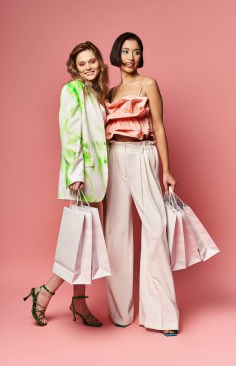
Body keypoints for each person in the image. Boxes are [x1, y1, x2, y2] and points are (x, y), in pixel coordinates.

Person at [24, 41, 109, 327]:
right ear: (75, 67)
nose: (88, 67)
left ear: (99, 62)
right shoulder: (72, 89)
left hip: (97, 179)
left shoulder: (96, 93)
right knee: (77, 241)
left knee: (87, 243)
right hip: (81, 177)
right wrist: (75, 174)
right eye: (82, 63)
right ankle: (44, 293)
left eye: (92, 61)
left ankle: (80, 302)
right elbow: (70, 132)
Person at [104, 32, 179, 336]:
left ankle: (163, 316)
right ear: (116, 54)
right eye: (125, 51)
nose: (131, 57)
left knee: (155, 227)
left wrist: (167, 170)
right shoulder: (109, 93)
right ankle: (121, 313)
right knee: (116, 232)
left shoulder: (149, 84)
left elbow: (159, 127)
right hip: (114, 157)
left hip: (143, 155)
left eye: (136, 51)